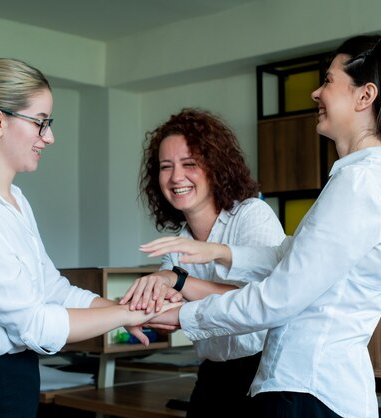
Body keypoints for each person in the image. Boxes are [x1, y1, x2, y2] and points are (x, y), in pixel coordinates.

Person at [142, 35, 381, 418]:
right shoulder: (364, 181)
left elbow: (278, 298)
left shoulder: (360, 186)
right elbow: (294, 255)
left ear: (365, 97)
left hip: (309, 391)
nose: (316, 93)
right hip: (309, 389)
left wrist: (184, 316)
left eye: (328, 81)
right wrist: (218, 252)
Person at [0, 58, 176, 418]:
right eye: (41, 123)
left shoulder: (13, 202)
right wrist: (121, 315)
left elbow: (52, 290)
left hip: (15, 383)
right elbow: (34, 324)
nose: (49, 137)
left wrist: (124, 311)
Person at [119, 108, 286, 418]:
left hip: (266, 371)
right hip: (214, 374)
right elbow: (172, 312)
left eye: (189, 164)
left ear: (215, 167)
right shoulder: (178, 242)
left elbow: (262, 303)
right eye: (165, 167)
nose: (176, 177)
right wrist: (148, 304)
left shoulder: (251, 214)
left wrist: (179, 282)